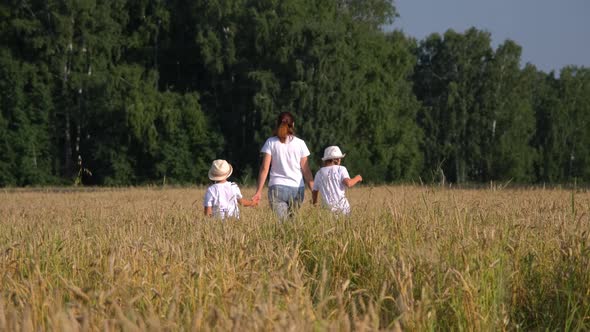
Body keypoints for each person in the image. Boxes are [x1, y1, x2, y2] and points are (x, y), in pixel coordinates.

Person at [252, 112, 314, 220]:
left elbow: (264, 168)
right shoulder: (300, 143)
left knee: (282, 225)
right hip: (297, 189)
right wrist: (314, 190)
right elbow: (306, 169)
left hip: (277, 188)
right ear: (293, 125)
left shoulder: (270, 142)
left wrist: (258, 191)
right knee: (292, 223)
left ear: (277, 124)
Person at [312, 146, 362, 216]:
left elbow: (314, 191)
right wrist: (357, 178)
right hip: (343, 209)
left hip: (327, 210)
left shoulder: (319, 173)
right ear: (337, 159)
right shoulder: (341, 169)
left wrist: (315, 205)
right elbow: (349, 183)